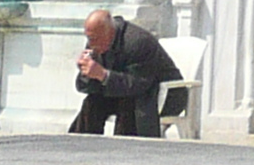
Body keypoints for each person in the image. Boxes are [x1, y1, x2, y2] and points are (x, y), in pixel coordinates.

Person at [70, 9, 180, 137]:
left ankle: (125, 149)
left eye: (94, 39)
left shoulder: (138, 42)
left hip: (162, 94)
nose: (91, 44)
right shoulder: (96, 41)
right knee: (93, 102)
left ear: (109, 33)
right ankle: (82, 143)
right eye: (89, 39)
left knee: (128, 105)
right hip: (122, 91)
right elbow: (87, 88)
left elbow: (139, 83)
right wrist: (86, 73)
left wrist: (103, 75)